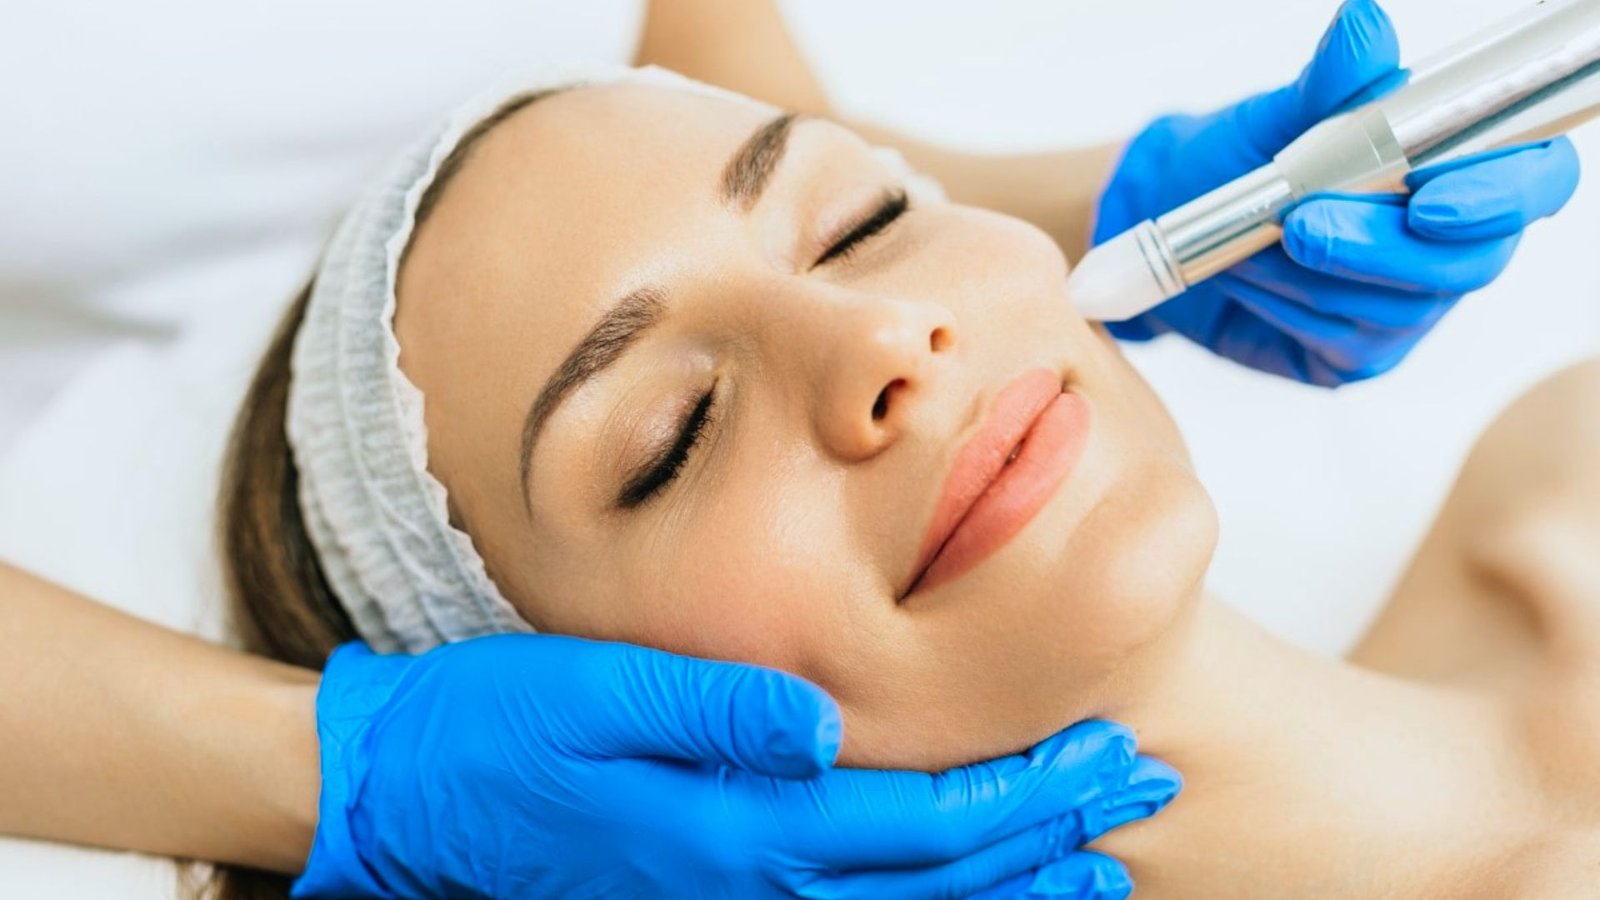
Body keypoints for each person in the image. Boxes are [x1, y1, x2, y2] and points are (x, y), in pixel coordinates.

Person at [0, 1, 1579, 896]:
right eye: (672, 439)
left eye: (862, 222)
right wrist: (331, 777)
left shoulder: (1563, 476)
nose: (886, 341)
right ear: (610, 750)